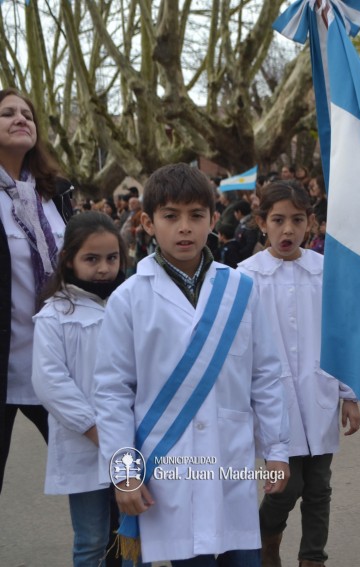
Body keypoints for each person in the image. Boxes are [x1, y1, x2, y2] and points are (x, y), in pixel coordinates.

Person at [93, 163, 291, 565]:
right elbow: (113, 392)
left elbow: (266, 375)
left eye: (196, 215)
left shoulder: (241, 289)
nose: (184, 227)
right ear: (148, 223)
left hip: (229, 461)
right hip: (168, 469)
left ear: (213, 220)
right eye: (170, 216)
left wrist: (277, 450)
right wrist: (124, 471)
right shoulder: (129, 299)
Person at [238, 181, 360, 567]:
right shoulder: (246, 277)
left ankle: (312, 558)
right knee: (285, 486)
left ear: (311, 222)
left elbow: (343, 334)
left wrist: (349, 393)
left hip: (320, 394)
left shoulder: (325, 272)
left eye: (296, 220)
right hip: (273, 401)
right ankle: (265, 540)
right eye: (278, 220)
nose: (287, 229)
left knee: (319, 487)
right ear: (262, 223)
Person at [31, 212, 127, 567]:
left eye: (112, 258)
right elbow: (50, 382)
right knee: (91, 540)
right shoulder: (55, 314)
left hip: (132, 440)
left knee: (134, 534)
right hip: (86, 443)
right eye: (91, 259)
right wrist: (96, 430)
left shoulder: (128, 304)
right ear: (69, 259)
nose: (103, 268)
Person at [0, 87, 73, 495]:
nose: (20, 119)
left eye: (27, 114)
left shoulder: (56, 194)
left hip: (55, 361)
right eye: (7, 113)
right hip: (7, 365)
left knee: (96, 472)